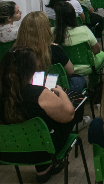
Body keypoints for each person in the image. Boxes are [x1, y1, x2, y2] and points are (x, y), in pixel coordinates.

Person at [0, 47, 78, 183]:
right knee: (71, 111)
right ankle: (48, 163)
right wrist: (63, 94)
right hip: (43, 152)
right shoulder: (39, 94)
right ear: (30, 71)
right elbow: (68, 115)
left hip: (7, 153)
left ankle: (44, 167)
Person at [14, 11, 87, 92]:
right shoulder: (54, 49)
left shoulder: (16, 52)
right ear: (46, 28)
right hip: (55, 87)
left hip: (27, 90)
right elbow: (70, 71)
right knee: (80, 80)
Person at [53, 1, 104, 76]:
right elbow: (97, 50)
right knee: (102, 54)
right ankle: (94, 84)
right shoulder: (84, 30)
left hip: (63, 68)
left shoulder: (51, 32)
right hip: (88, 67)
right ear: (74, 15)